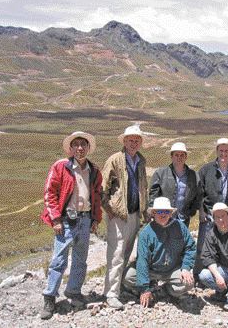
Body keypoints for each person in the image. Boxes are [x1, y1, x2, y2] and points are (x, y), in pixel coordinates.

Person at [40, 131, 103, 320]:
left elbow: (97, 196)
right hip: (66, 219)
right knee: (59, 259)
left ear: (88, 148)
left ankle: (73, 291)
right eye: (76, 145)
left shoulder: (94, 170)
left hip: (85, 219)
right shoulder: (61, 167)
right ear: (71, 148)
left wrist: (95, 219)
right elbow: (49, 193)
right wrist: (56, 219)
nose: (80, 148)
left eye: (83, 145)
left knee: (80, 259)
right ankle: (50, 297)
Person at [101, 125, 149, 310]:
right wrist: (109, 209)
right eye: (130, 140)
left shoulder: (141, 161)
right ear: (124, 141)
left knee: (127, 251)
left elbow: (143, 187)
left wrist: (144, 211)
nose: (134, 143)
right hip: (119, 214)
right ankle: (111, 293)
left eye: (137, 140)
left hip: (135, 213)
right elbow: (103, 187)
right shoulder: (115, 159)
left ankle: (118, 286)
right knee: (116, 253)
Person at [123, 197, 196, 307]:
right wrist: (144, 288)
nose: (163, 214)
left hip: (172, 269)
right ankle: (151, 285)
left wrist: (185, 268)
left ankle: (164, 290)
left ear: (171, 213)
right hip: (151, 270)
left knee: (189, 283)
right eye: (159, 211)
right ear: (153, 213)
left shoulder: (180, 227)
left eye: (166, 211)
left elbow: (190, 248)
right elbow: (142, 260)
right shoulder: (145, 233)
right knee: (128, 276)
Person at [196, 138, 228, 277]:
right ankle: (199, 275)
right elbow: (199, 192)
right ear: (217, 151)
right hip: (208, 215)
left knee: (223, 247)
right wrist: (201, 211)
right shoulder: (206, 170)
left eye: (226, 151)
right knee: (203, 246)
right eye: (221, 150)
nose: (223, 154)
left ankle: (219, 276)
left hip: (226, 217)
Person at [149, 142, 200, 227]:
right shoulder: (161, 173)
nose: (179, 158)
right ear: (171, 156)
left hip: (183, 218)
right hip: (163, 216)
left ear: (186, 157)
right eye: (176, 155)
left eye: (182, 155)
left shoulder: (193, 175)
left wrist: (192, 211)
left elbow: (197, 194)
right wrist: (153, 212)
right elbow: (153, 194)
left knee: (181, 239)